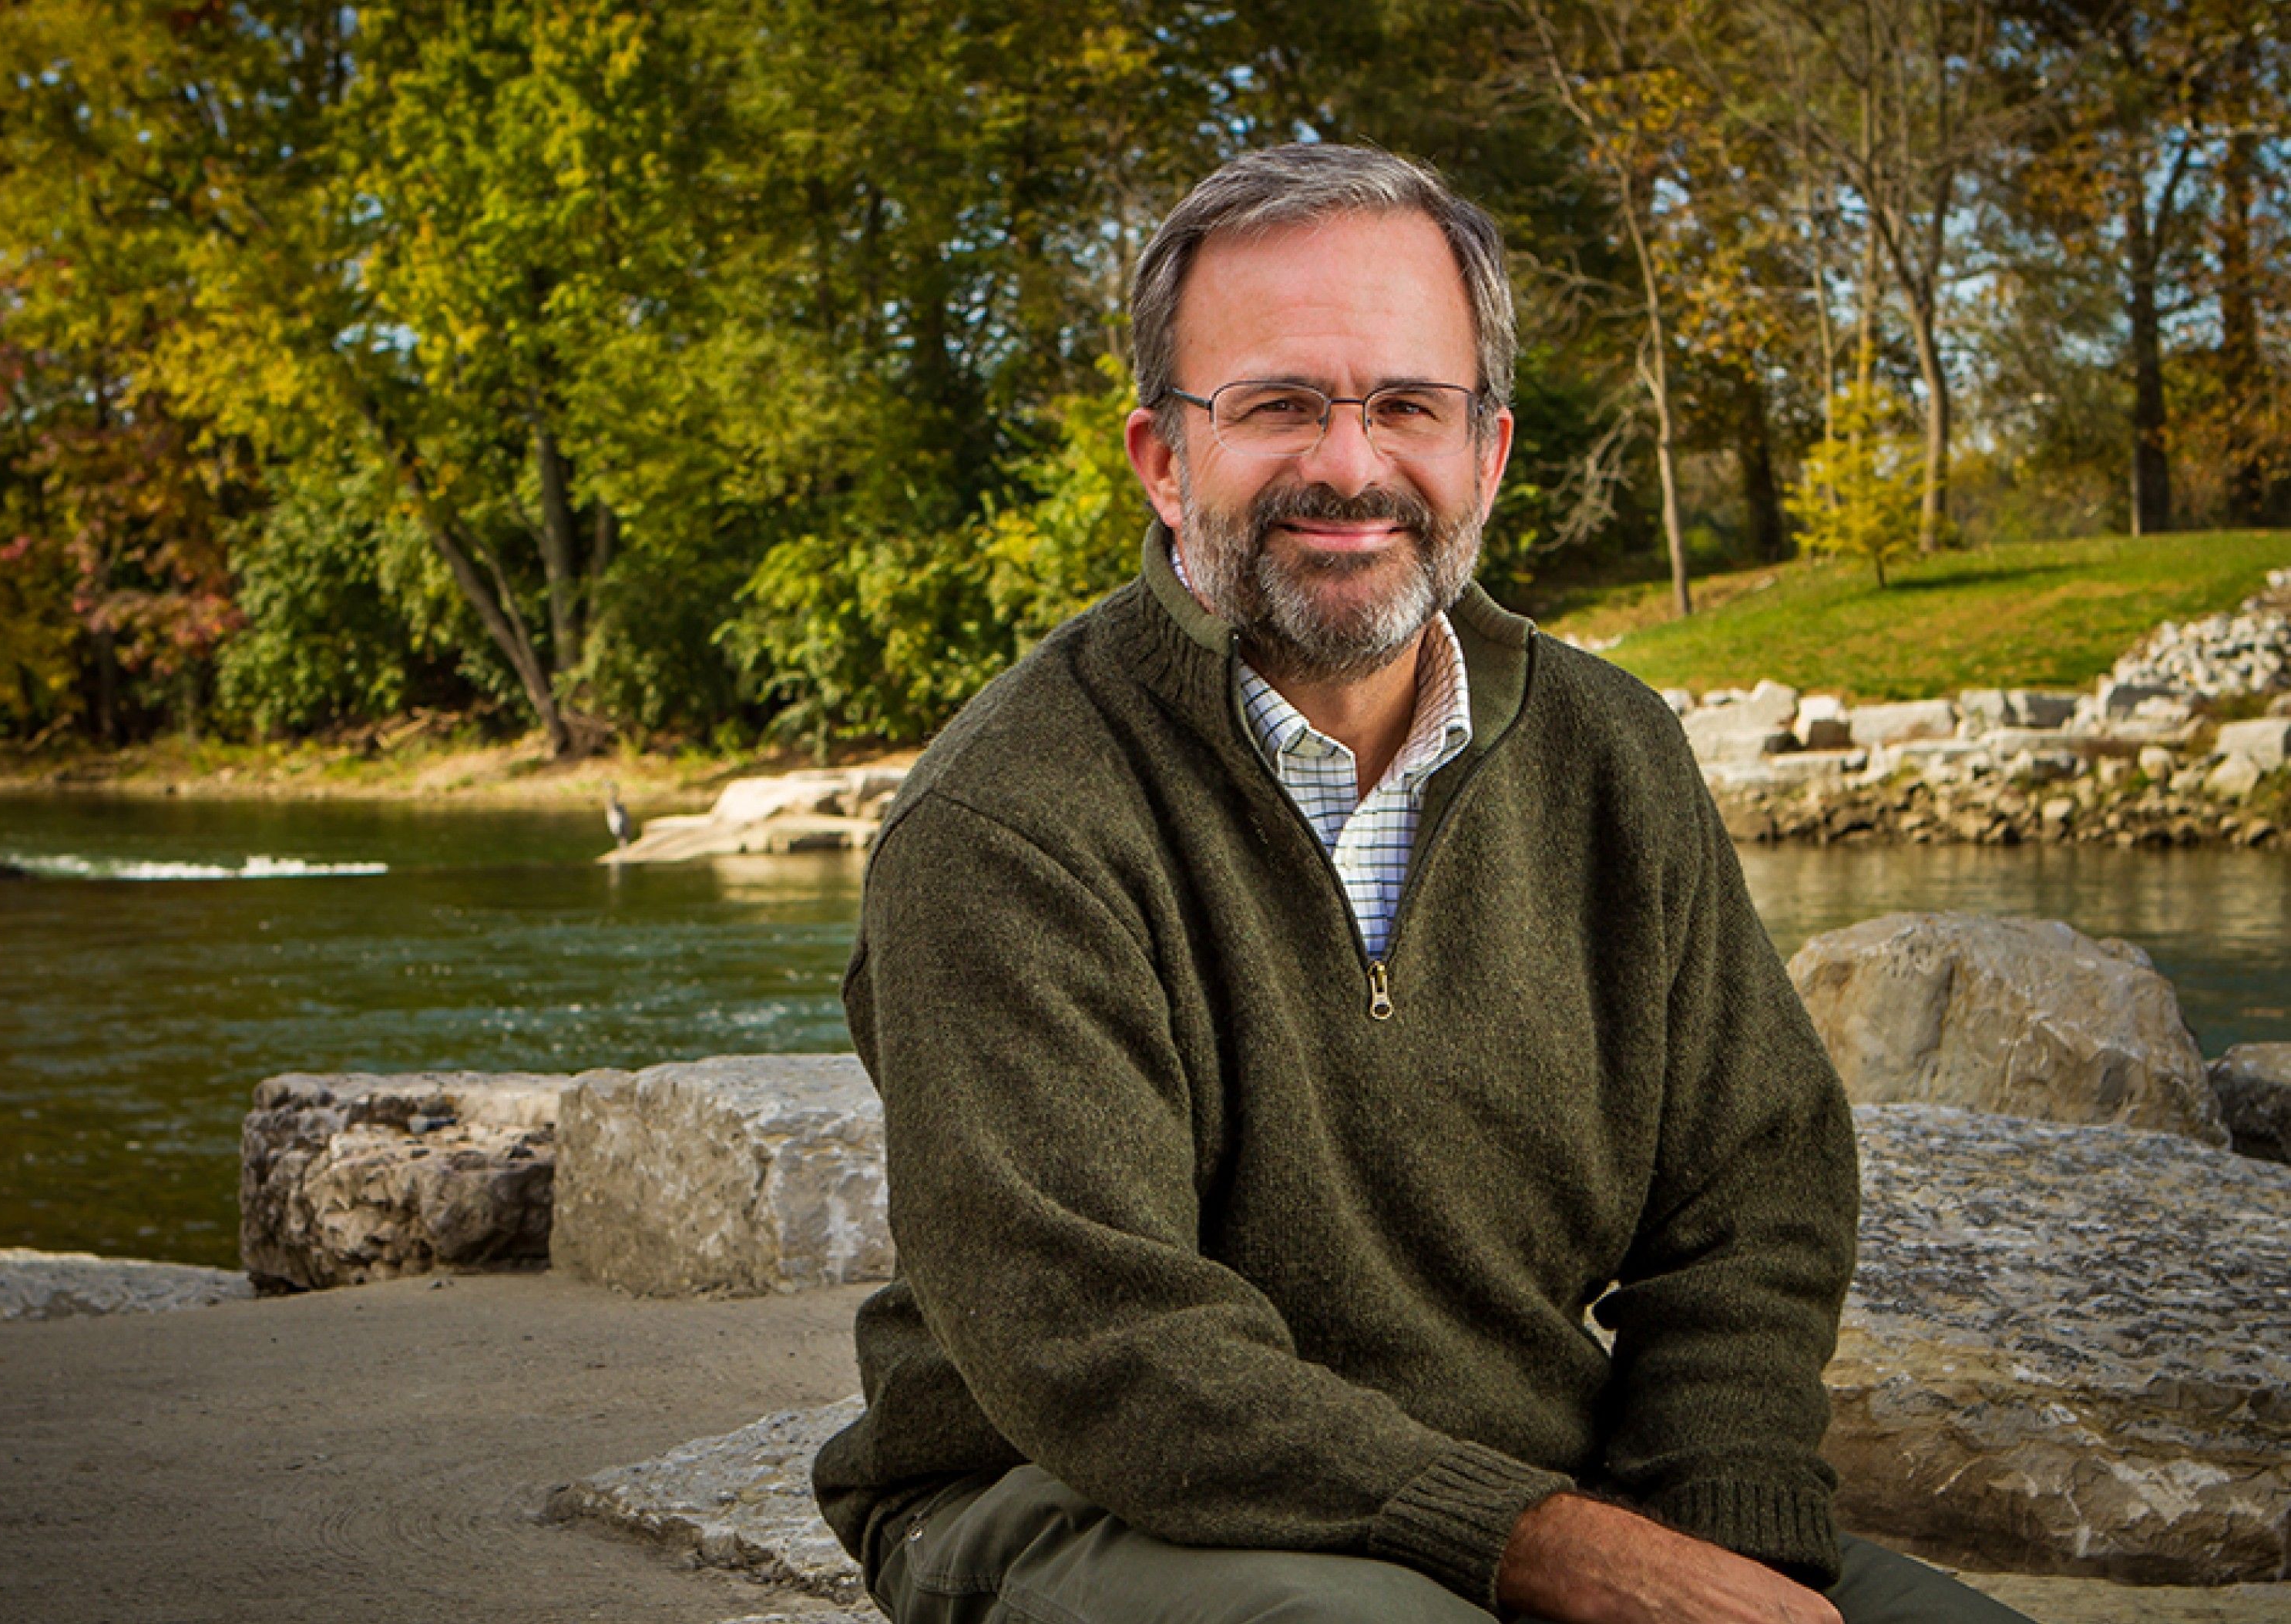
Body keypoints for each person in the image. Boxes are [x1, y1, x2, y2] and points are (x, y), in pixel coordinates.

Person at [813, 143, 2030, 1624]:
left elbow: (1751, 1194)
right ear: (1160, 456)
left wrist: (1728, 1535)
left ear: (1488, 452)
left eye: (1406, 405)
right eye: (1275, 405)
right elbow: (1094, 1336)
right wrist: (1552, 1551)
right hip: (1066, 1491)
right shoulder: (1007, 819)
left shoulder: (1610, 752)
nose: (1349, 463)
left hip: (1525, 1482)